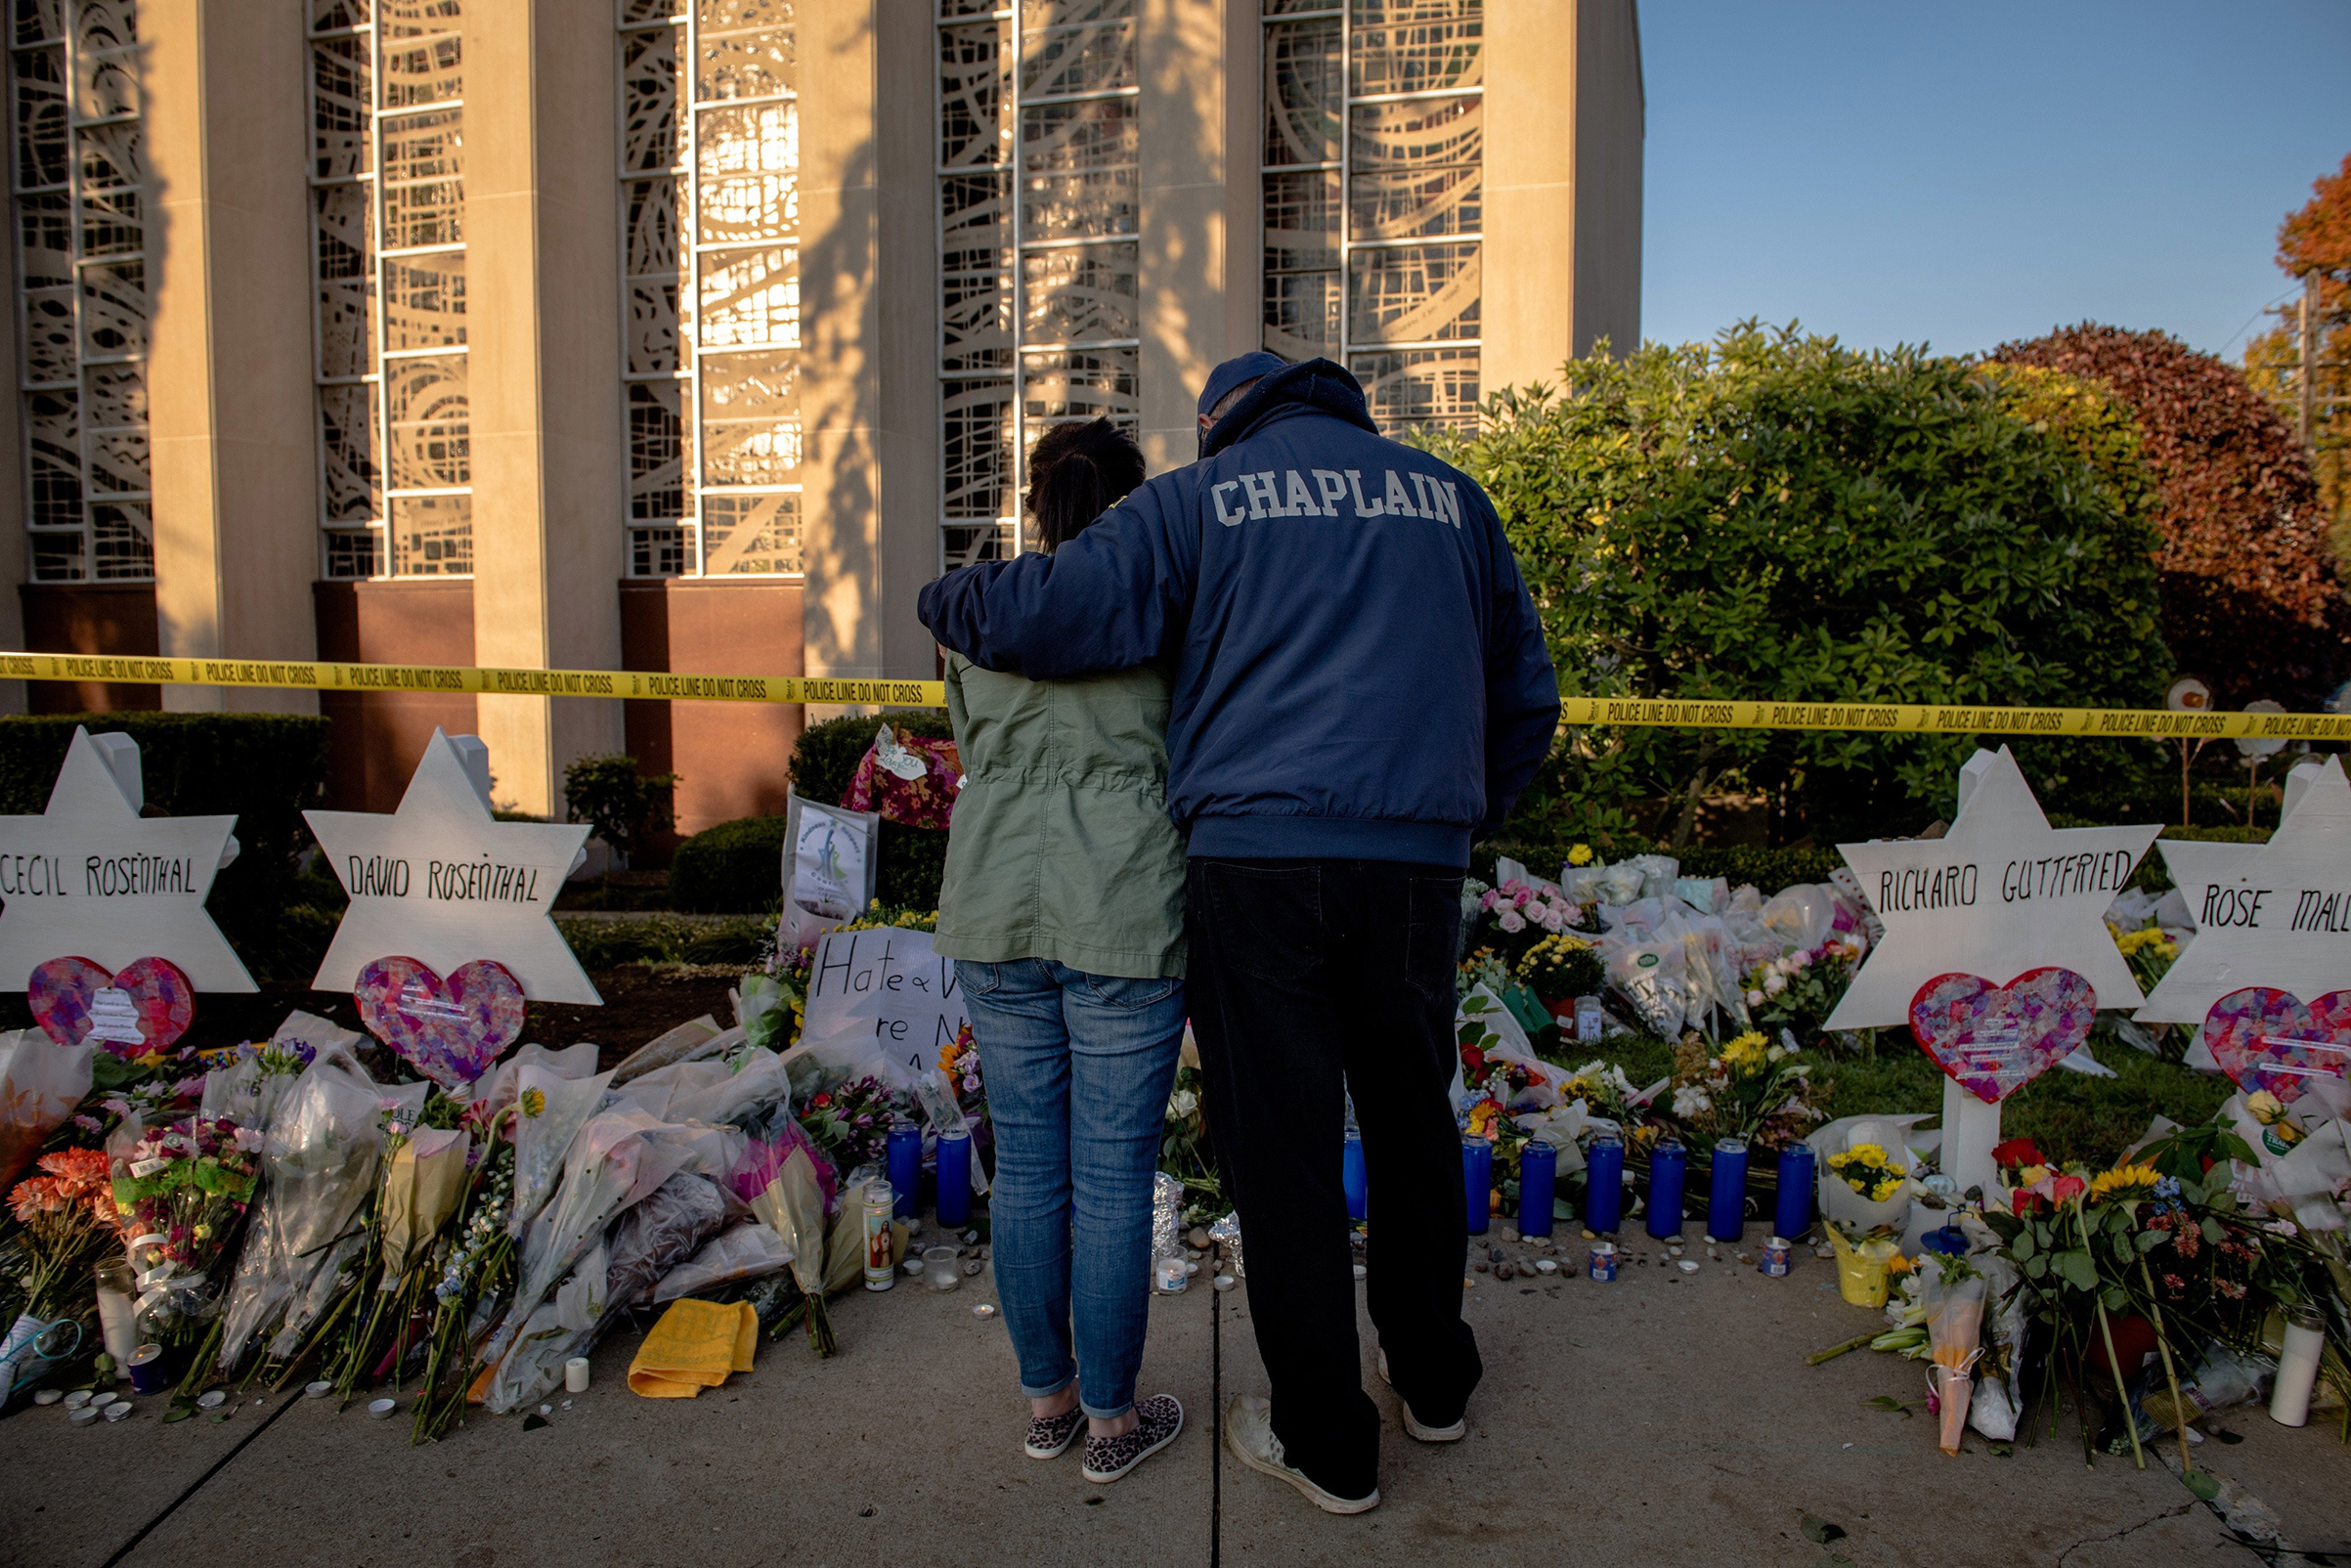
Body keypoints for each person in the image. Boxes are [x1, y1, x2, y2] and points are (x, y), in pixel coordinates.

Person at [919, 353, 1559, 1514]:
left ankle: (1326, 1442)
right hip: (1413, 862)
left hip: (1256, 862)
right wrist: (1461, 810)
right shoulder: (1451, 495)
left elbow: (1054, 606)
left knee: (1286, 1149)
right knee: (1414, 1123)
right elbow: (1525, 691)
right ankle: (1431, 1381)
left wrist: (937, 601)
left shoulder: (1201, 496)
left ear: (1219, 422)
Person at [932, 416, 1189, 1485]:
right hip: (1121, 905)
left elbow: (966, 742)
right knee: (1114, 1176)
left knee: (1028, 1167)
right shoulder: (1165, 612)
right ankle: (1112, 1417)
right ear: (1135, 504)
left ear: (1034, 501)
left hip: (993, 901)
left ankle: (1046, 1400)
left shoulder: (978, 614)